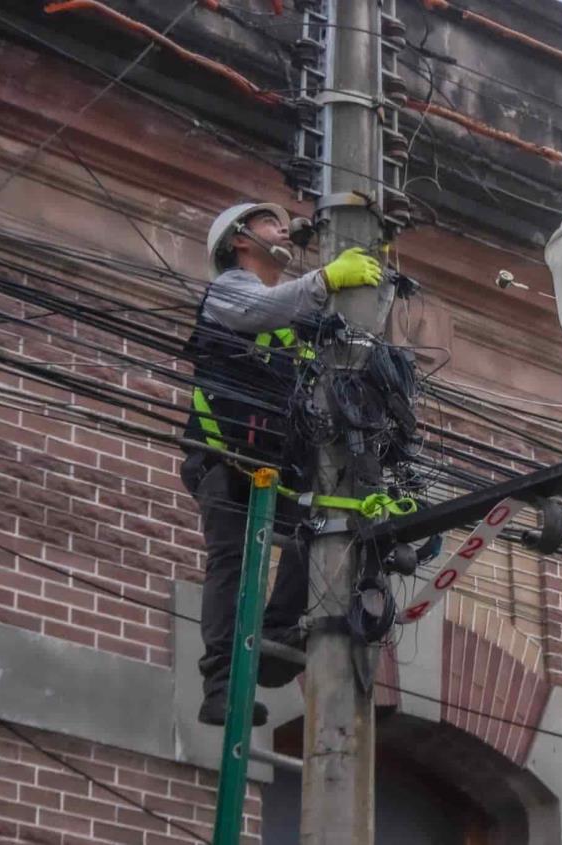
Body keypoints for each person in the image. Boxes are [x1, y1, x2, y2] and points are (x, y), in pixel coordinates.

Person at [179, 202, 382, 726]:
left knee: (316, 532)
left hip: (277, 464)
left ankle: (272, 635)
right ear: (240, 241)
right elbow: (260, 311)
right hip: (223, 456)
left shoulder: (297, 313)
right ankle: (220, 685)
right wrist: (327, 275)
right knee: (231, 558)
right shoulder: (230, 289)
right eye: (269, 222)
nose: (281, 228)